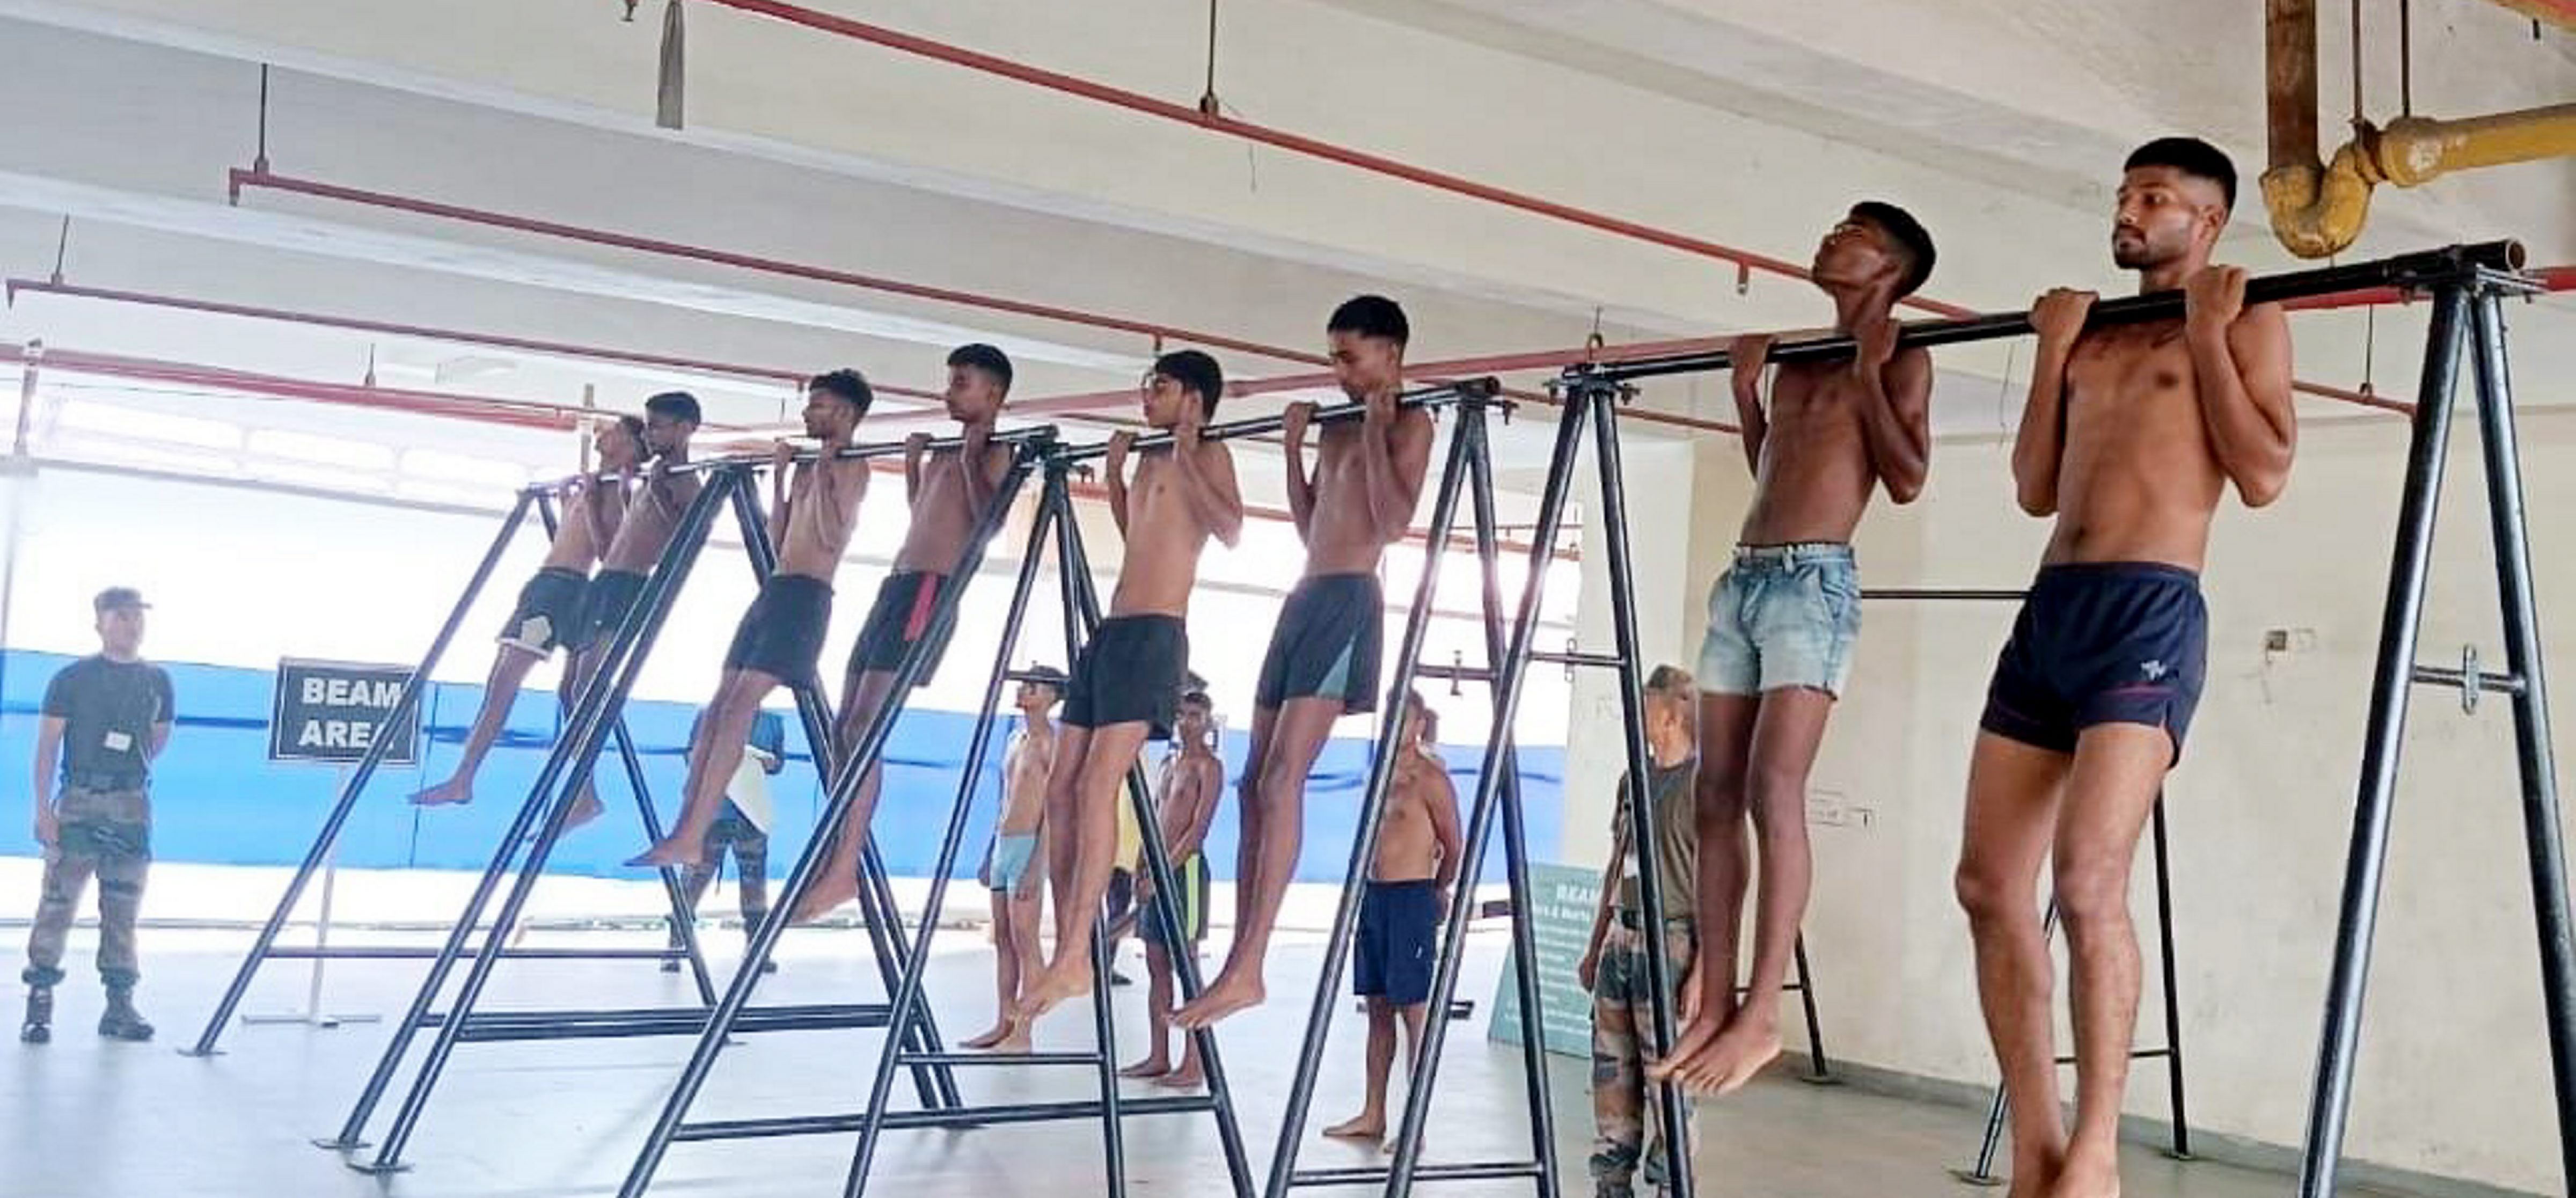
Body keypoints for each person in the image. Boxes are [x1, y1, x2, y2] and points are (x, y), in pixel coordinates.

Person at [1955, 137, 2291, 1198]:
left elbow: (2265, 473)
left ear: (2209, 221)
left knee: (2087, 882)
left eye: (2155, 198)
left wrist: (2206, 335)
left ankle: (2098, 1149)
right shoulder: (2093, 332)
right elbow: (2034, 489)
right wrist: (2052, 352)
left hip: (2149, 607)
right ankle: (2038, 1145)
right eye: (2125, 195)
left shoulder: (2248, 318)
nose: (2130, 212)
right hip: (2053, 607)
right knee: (1986, 885)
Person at [1656, 202, 1938, 1095]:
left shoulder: (1906, 354)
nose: (1830, 237)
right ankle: (1715, 995)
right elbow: (1778, 467)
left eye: (1854, 233)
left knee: (1774, 787)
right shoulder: (1797, 361)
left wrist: (1870, 376)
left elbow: (1906, 477)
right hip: (1745, 575)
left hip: (1815, 583)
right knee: (1713, 789)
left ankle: (1763, 1014)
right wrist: (1746, 396)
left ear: (1891, 268)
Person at [1179, 295, 1434, 1031]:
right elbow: (1310, 524)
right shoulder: (1338, 425)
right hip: (1305, 592)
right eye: (1332, 357)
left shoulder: (1413, 422)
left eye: (1349, 357)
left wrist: (1380, 430)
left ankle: (1253, 963)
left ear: (1391, 354)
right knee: (1251, 783)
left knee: (1284, 777)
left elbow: (1392, 522)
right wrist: (1294, 449)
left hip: (1350, 598)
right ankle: (1238, 957)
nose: (1338, 371)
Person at [1014, 350, 1242, 1026]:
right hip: (1111, 633)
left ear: (1193, 398)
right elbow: (1142, 537)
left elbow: (1229, 529)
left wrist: (1190, 454)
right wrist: (1115, 479)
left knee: (1096, 786)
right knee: (1061, 785)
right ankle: (1071, 941)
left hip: (1156, 636)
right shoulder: (1148, 458)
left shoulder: (1210, 453)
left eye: (1160, 387)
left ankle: (1075, 953)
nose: (1146, 396)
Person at [791, 345, 1015, 923]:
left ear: (993, 394)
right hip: (898, 585)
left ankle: (845, 869)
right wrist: (917, 467)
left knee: (865, 728)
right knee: (843, 727)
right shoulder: (947, 451)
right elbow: (925, 513)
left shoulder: (997, 451)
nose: (948, 392)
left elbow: (988, 523)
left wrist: (970, 460)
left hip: (931, 592)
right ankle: (836, 853)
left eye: (961, 383)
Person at [632, 369, 877, 868]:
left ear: (846, 413)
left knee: (741, 705)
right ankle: (686, 825)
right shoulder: (809, 466)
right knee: (719, 706)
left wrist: (823, 472)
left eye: (819, 405)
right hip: (777, 588)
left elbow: (831, 536)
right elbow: (779, 539)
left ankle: (694, 831)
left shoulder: (853, 467)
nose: (807, 412)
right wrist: (785, 478)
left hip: (807, 597)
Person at [411, 415, 647, 809]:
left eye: (616, 432)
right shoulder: (595, 484)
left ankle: (464, 778)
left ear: (630, 447)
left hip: (559, 591)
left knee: (506, 681)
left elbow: (608, 553)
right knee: (525, 687)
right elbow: (573, 539)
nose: (604, 434)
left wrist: (590, 503)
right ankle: (583, 793)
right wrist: (569, 503)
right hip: (549, 585)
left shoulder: (612, 491)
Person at [22, 587, 174, 1044]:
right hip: (79, 802)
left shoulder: (158, 681)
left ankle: (119, 1004)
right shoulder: (72, 679)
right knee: (58, 902)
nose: (131, 625)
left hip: (131, 805)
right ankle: (40, 1001)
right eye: (121, 616)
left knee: (123, 906)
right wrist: (44, 809)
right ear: (100, 624)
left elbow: (157, 741)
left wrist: (124, 782)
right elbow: (47, 746)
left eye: (136, 617)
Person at [1578, 667, 1706, 1197]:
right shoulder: (1632, 781)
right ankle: (1612, 1179)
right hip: (1622, 939)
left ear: (1672, 716)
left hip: (1671, 943)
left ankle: (1672, 1179)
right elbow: (1618, 861)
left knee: (1668, 1072)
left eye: (1647, 707)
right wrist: (1596, 944)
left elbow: (1723, 886)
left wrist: (1703, 971)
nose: (1637, 718)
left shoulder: (1705, 786)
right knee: (1613, 1067)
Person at [1321, 690, 1460, 1143]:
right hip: (1375, 898)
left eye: (1405, 718)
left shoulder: (1430, 778)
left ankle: (1414, 1124)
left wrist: (1437, 891)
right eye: (1390, 717)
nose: (1395, 725)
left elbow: (1454, 845)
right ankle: (1373, 1113)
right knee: (1378, 1008)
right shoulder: (1377, 773)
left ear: (1419, 724)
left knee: (1413, 1012)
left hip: (1411, 898)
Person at [565, 391, 703, 829]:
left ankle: (584, 796)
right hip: (608, 581)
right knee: (569, 689)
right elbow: (618, 546)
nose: (650, 435)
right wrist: (607, 499)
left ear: (685, 429)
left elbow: (687, 540)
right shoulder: (653, 478)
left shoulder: (685, 481)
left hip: (631, 588)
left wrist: (658, 491)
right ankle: (584, 793)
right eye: (648, 426)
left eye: (658, 426)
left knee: (586, 687)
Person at [1121, 689, 1224, 1086]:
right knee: (1156, 963)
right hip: (1156, 870)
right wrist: (1141, 863)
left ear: (1208, 722)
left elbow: (1197, 832)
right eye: (1181, 714)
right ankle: (1158, 1054)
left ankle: (1195, 1062)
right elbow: (1156, 816)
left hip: (1185, 874)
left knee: (1187, 965)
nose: (1186, 722)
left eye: (1195, 715)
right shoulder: (1170, 764)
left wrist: (1162, 874)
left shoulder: (1209, 768)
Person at [961, 666, 1065, 1051]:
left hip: (1028, 846)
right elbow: (1007, 799)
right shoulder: (1016, 739)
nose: (1024, 691)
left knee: (1026, 941)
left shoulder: (1051, 744)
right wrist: (991, 852)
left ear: (1052, 697)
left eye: (1033, 687)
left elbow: (1054, 811)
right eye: (1023, 685)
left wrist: (1039, 864)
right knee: (1004, 939)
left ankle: (1024, 1032)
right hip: (1005, 844)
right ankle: (1003, 1022)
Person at [663, 706, 787, 975]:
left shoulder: (773, 721)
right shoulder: (709, 713)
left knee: (754, 884)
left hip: (751, 813)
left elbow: (779, 764)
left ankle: (757, 949)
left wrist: (769, 762)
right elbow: (691, 756)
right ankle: (675, 945)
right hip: (712, 811)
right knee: (694, 880)